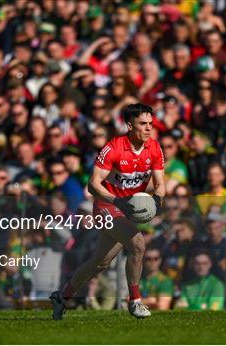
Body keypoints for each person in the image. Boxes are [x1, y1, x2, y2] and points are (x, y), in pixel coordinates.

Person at [51, 103, 165, 319]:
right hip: (107, 206)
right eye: (143, 124)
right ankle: (135, 302)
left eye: (150, 123)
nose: (149, 128)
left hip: (127, 208)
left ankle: (62, 297)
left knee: (100, 263)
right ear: (129, 125)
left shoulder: (155, 148)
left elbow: (160, 184)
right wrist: (117, 201)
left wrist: (157, 201)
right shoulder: (113, 148)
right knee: (138, 245)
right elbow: (94, 184)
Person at [140, 246, 173, 311]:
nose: (152, 261)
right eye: (148, 259)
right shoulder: (138, 279)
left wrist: (140, 302)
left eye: (155, 258)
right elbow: (128, 300)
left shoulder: (165, 281)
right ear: (143, 260)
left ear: (160, 260)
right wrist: (151, 301)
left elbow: (162, 307)